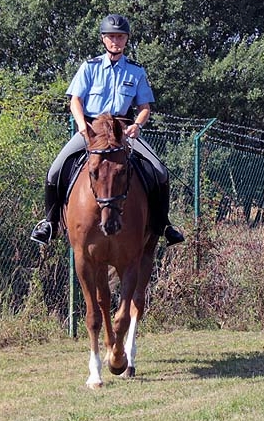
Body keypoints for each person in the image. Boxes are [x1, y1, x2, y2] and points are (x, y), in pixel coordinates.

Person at [30, 13, 185, 247]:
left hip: (123, 130)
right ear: (103, 39)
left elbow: (144, 108)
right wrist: (82, 126)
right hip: (92, 130)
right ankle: (50, 223)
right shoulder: (89, 67)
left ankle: (163, 224)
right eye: (111, 36)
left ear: (126, 39)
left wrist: (137, 125)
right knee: (54, 171)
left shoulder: (136, 71)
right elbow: (75, 100)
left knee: (159, 170)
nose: (116, 41)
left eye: (120, 37)